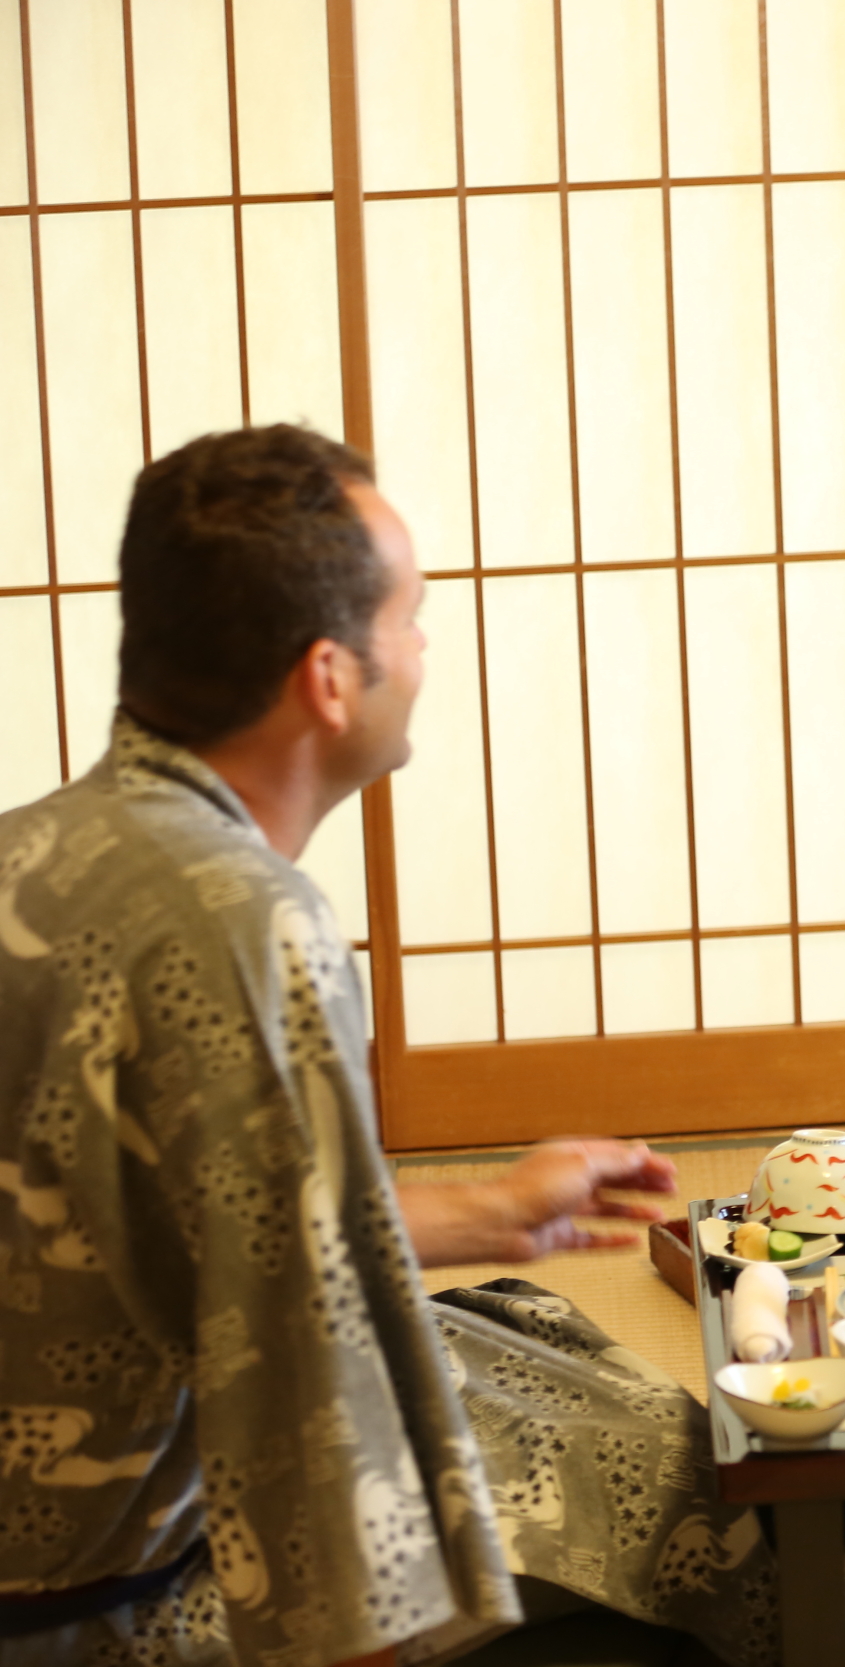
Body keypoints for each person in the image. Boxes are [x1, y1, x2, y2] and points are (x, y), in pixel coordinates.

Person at [0, 428, 781, 1666]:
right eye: (410, 615)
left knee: (550, 1355)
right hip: (97, 1599)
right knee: (660, 1490)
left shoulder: (33, 850)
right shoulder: (243, 922)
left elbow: (168, 1219)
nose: (422, 648)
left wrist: (488, 1208)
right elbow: (292, 1385)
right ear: (329, 676)